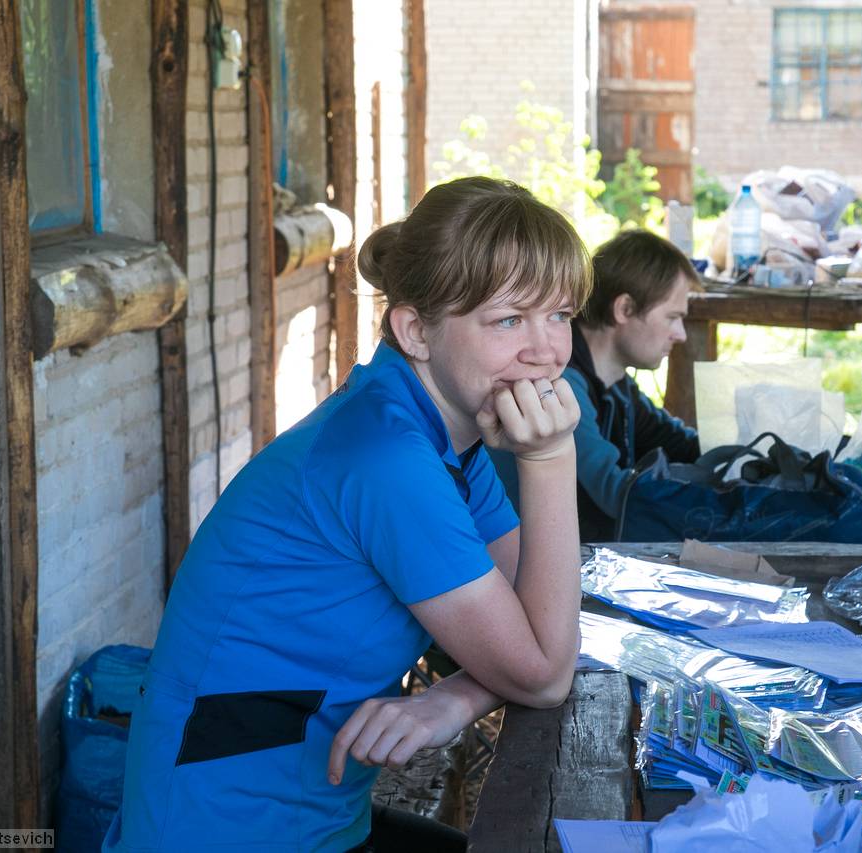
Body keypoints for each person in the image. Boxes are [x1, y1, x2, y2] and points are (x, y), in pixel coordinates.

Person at [103, 177, 591, 853]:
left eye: (560, 314)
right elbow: (544, 671)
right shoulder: (385, 457)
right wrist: (550, 458)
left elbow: (543, 625)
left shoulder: (441, 432)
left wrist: (451, 699)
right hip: (225, 826)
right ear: (416, 331)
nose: (548, 351)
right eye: (509, 320)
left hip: (312, 814)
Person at [491, 229, 701, 541]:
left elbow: (679, 443)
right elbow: (617, 499)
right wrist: (748, 510)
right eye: (672, 317)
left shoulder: (616, 385)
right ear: (624, 309)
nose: (680, 334)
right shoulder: (559, 386)